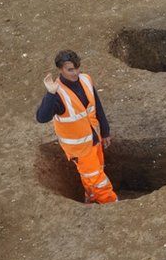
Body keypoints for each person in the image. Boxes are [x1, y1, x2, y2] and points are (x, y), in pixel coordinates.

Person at [36, 50, 118, 204]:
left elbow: (98, 107)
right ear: (60, 69)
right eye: (70, 70)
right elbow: (42, 117)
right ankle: (111, 204)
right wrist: (50, 94)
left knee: (93, 174)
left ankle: (90, 198)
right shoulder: (58, 94)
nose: (76, 73)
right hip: (79, 150)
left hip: (95, 139)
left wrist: (105, 132)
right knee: (98, 179)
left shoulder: (86, 80)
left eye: (77, 68)